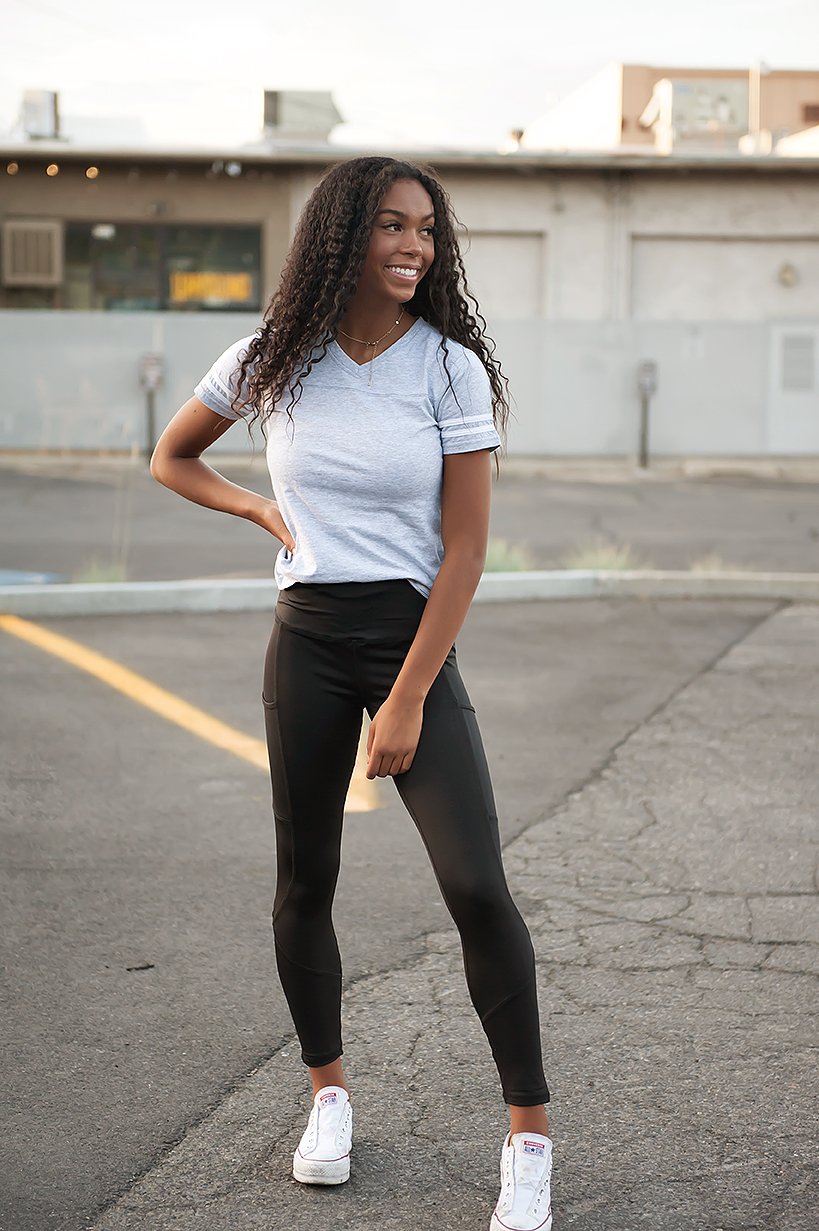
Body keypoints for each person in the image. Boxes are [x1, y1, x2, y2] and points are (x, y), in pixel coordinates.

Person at [150, 154, 553, 1231]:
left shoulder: (448, 369)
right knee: (304, 882)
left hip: (407, 641)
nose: (415, 245)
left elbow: (465, 550)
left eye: (427, 228)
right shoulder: (272, 359)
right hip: (310, 640)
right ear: (343, 238)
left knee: (475, 884)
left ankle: (528, 1136)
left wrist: (413, 693)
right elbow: (172, 457)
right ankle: (328, 1096)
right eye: (391, 226)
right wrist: (257, 512)